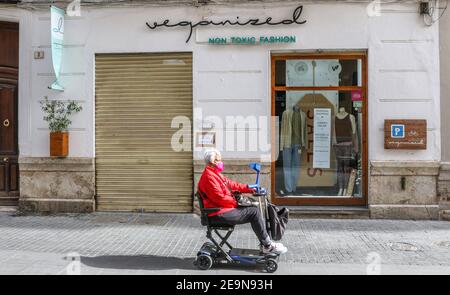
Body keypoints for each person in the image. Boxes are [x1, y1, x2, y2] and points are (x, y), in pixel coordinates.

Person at [197, 149, 288, 254]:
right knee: (254, 212)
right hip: (217, 213)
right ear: (212, 162)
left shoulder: (215, 174)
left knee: (254, 209)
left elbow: (232, 184)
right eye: (219, 160)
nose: (221, 162)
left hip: (223, 209)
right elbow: (220, 198)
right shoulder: (209, 177)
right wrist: (237, 203)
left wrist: (250, 188)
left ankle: (265, 243)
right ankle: (267, 245)